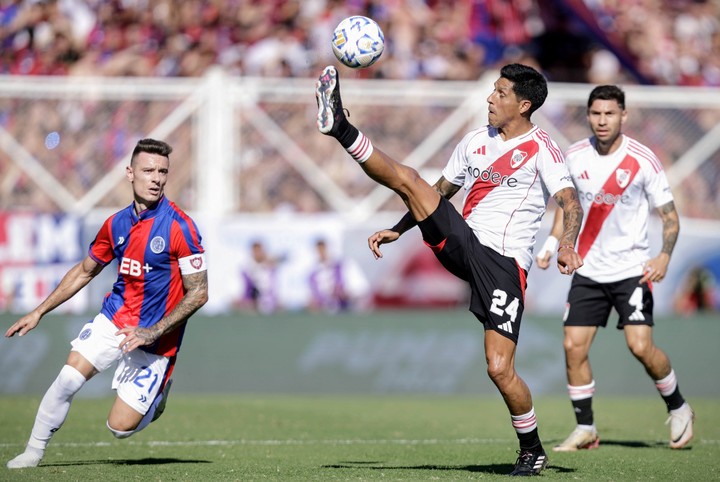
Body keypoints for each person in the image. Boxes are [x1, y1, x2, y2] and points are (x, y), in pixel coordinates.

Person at [315, 63, 584, 476]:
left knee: (499, 368)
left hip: (503, 265)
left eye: (500, 93)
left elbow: (570, 202)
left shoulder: (543, 150)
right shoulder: (476, 140)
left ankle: (532, 448)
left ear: (523, 104)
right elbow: (438, 192)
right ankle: (341, 129)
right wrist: (399, 229)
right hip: (464, 243)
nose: (490, 98)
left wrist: (567, 244)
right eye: (492, 91)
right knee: (409, 180)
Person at [5, 138, 209, 469]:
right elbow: (86, 271)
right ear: (130, 173)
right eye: (148, 170)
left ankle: (157, 397)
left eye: (162, 172)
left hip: (156, 340)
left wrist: (150, 331)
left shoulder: (181, 227)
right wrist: (39, 311)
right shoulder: (115, 224)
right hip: (114, 319)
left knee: (119, 429)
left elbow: (199, 292)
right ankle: (33, 452)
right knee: (68, 379)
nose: (156, 178)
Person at [535, 85, 694, 452]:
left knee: (640, 347)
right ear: (588, 116)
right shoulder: (574, 156)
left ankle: (679, 407)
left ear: (624, 115)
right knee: (573, 346)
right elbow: (566, 207)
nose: (602, 120)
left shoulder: (642, 160)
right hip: (588, 270)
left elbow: (669, 217)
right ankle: (586, 428)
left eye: (609, 114)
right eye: (596, 114)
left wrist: (664, 256)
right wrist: (551, 244)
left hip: (631, 270)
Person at [307, 238, 370, 313]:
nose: (321, 253)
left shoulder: (345, 266)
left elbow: (362, 288)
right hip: (325, 316)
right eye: (319, 250)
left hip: (347, 311)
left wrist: (347, 294)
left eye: (323, 249)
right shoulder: (312, 274)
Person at [238, 239, 282, 314]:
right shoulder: (246, 269)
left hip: (270, 307)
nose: (258, 254)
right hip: (251, 307)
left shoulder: (271, 269)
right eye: (256, 251)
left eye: (260, 251)